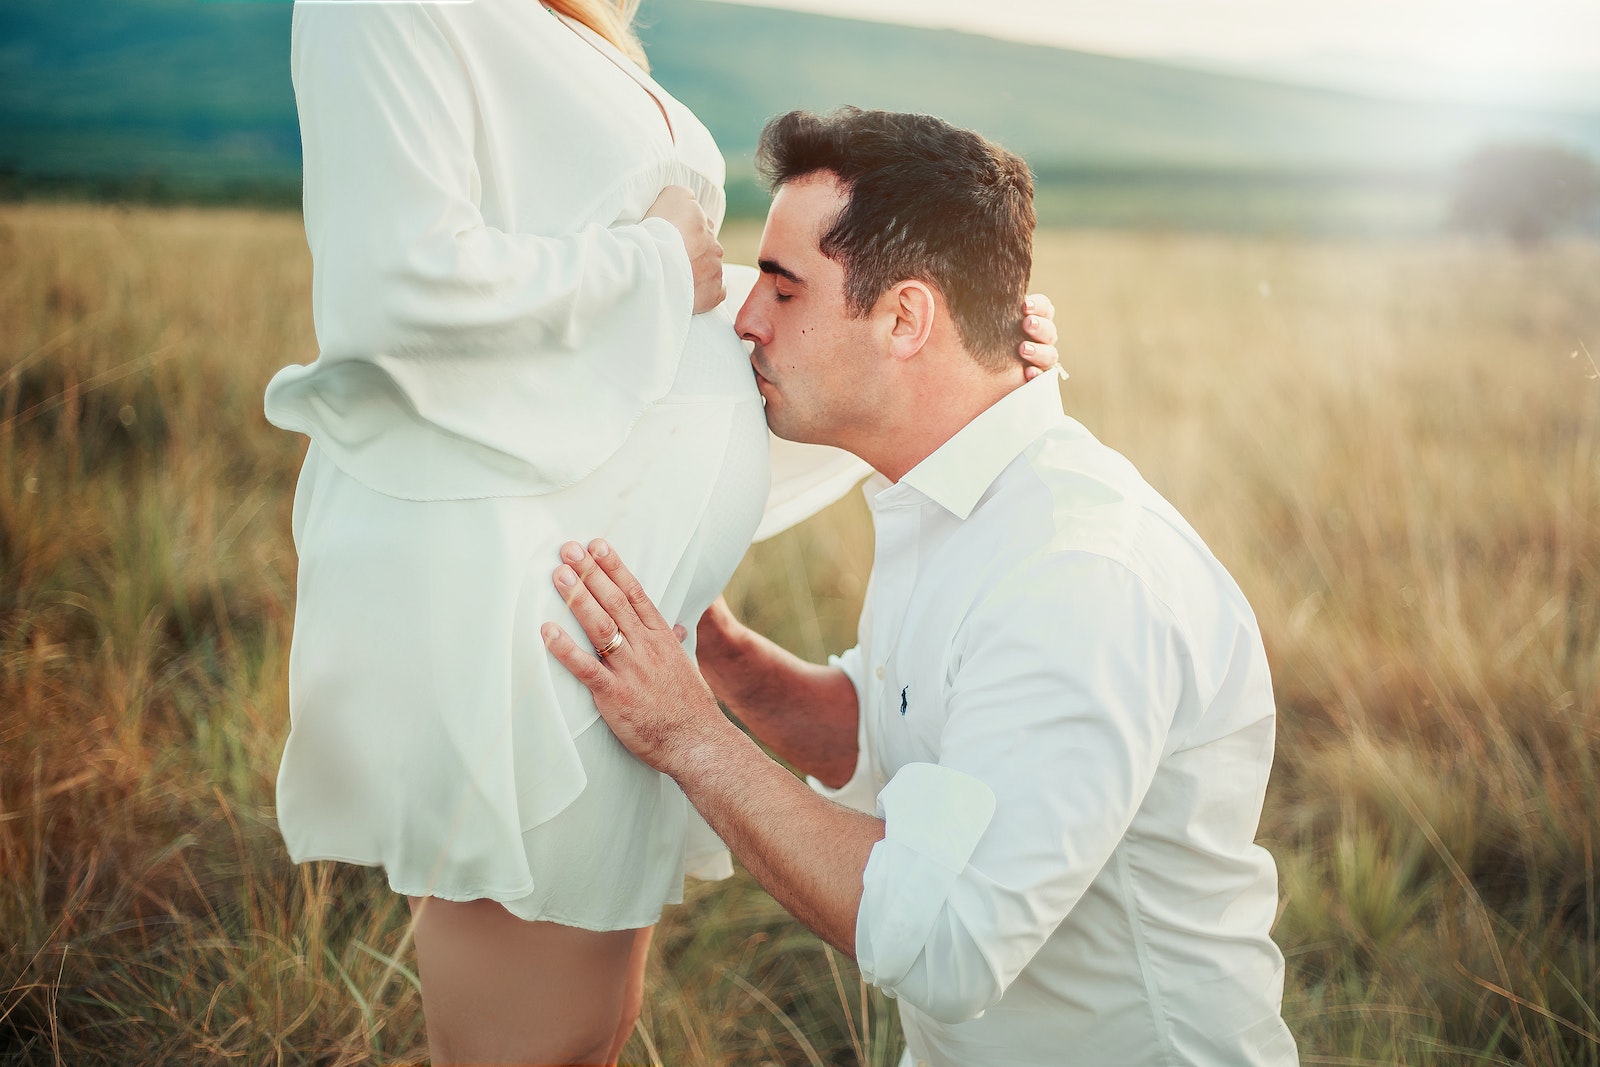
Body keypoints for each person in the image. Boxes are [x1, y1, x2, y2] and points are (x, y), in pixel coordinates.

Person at [261, 3, 1058, 1064]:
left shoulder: (568, 30)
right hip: (527, 605)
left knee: (586, 1026)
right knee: (528, 1040)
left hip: (621, 609)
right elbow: (392, 287)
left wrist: (959, 360)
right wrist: (645, 262)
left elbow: (654, 363)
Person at [543, 107, 1300, 1067]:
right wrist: (717, 656)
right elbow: (895, 735)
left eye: (781, 287)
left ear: (906, 317)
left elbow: (945, 941)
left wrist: (688, 735)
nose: (744, 317)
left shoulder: (1076, 576)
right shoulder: (944, 500)